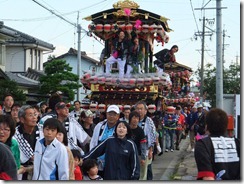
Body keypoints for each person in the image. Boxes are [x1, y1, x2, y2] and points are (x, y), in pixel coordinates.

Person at [194, 108, 240, 180]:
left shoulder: (203, 145)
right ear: (226, 125)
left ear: (207, 126)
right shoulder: (238, 143)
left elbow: (207, 177)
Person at [89, 104, 120, 178]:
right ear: (106, 114)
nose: (111, 116)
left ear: (118, 116)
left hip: (113, 162)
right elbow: (93, 142)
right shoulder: (100, 126)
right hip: (98, 162)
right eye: (110, 114)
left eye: (114, 114)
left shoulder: (121, 127)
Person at [14, 105, 43, 180]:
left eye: (34, 114)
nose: (34, 117)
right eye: (30, 115)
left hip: (41, 168)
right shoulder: (15, 134)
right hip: (23, 171)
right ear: (22, 119)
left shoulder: (42, 130)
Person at [135, 101, 156, 180]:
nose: (139, 111)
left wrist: (151, 150)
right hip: (135, 149)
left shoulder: (148, 120)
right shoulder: (133, 119)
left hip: (145, 149)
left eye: (141, 109)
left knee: (146, 171)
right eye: (137, 109)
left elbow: (152, 135)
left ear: (145, 111)